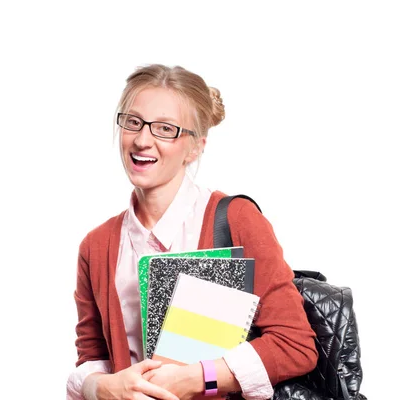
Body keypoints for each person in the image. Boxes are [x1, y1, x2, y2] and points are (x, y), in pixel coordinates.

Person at [67, 64, 318, 400]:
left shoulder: (237, 220)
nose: (143, 140)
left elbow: (295, 344)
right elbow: (92, 355)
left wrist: (200, 378)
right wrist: (98, 387)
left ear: (196, 146)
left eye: (165, 129)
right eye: (133, 122)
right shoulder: (96, 246)